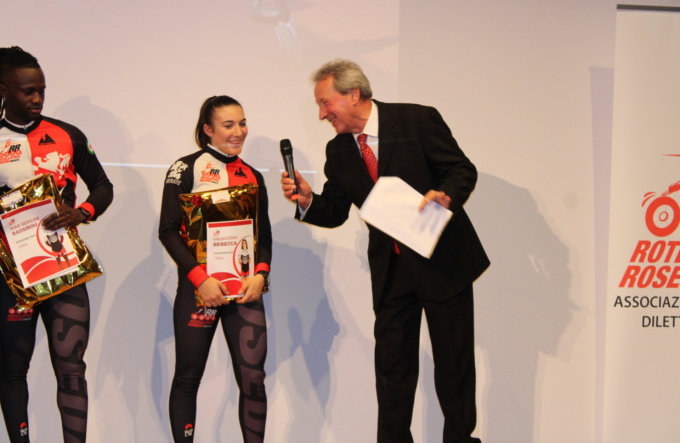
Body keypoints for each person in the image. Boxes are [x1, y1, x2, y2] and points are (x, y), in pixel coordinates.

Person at [281, 59, 490, 443]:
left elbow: (462, 170)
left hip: (443, 261)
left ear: (353, 94)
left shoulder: (416, 120)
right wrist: (309, 201)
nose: (322, 114)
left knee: (453, 365)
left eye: (325, 103)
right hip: (392, 272)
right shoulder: (338, 150)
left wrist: (447, 195)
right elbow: (335, 212)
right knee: (393, 371)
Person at [0, 46, 114, 442]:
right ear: (3, 90)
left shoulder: (68, 134)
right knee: (12, 368)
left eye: (42, 90)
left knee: (71, 368)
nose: (37, 98)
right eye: (28, 91)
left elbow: (103, 186)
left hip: (64, 267)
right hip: (12, 274)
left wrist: (81, 213)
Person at [159, 95, 271, 442]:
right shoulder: (185, 168)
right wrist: (200, 279)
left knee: (253, 380)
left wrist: (261, 274)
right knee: (188, 377)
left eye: (243, 123)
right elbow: (168, 230)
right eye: (228, 125)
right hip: (200, 291)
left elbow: (264, 235)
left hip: (244, 291)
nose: (239, 131)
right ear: (208, 129)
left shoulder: (252, 175)